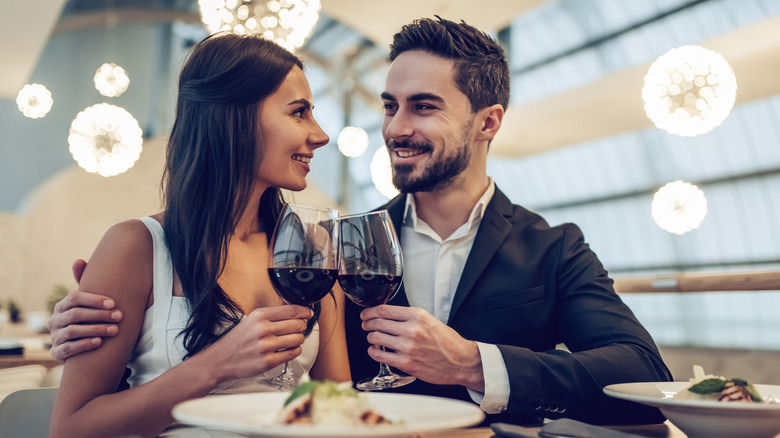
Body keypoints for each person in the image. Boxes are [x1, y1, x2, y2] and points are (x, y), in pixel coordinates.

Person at [48, 17, 672, 427]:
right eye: (390, 106)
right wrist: (104, 310)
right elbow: (331, 399)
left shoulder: (553, 248)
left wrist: (473, 363)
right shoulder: (333, 247)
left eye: (423, 107)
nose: (397, 128)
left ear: (488, 121)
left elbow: (643, 373)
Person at [48, 32, 348, 438]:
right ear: (233, 115)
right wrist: (217, 363)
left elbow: (337, 403)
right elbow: (72, 429)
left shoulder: (313, 249)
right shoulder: (135, 246)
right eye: (298, 113)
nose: (320, 135)